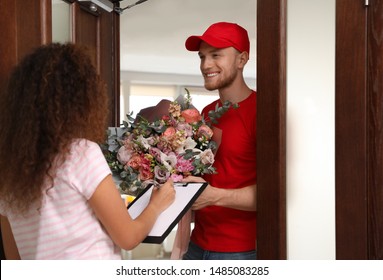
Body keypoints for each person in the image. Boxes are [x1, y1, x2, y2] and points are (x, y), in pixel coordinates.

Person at [0, 43, 175, 260]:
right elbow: (128, 238)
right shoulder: (80, 153)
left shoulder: (8, 172)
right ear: (80, 99)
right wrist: (157, 205)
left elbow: (13, 259)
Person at [181, 22, 257, 260]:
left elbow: (277, 192)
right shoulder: (207, 112)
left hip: (241, 252)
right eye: (202, 56)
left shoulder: (263, 111)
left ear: (242, 59)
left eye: (216, 55)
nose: (205, 65)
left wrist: (214, 196)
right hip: (196, 245)